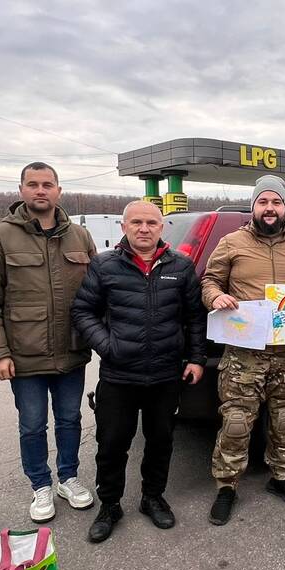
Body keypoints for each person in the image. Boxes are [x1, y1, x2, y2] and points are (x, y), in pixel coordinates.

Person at [201, 174, 285, 525]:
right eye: (263, 202)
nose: (270, 208)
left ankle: (281, 478)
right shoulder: (231, 242)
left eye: (276, 202)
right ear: (254, 207)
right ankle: (227, 487)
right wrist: (215, 296)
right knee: (235, 422)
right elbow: (209, 280)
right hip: (243, 353)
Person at [0, 162, 97, 522]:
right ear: (21, 189)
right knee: (32, 424)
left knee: (70, 419)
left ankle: (68, 478)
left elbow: (97, 292)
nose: (41, 190)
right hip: (24, 355)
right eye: (33, 184)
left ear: (58, 190)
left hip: (71, 350)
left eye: (47, 184)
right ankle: (40, 484)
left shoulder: (79, 236)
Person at [71, 201, 206, 543]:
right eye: (136, 222)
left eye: (151, 223)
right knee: (111, 444)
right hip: (119, 376)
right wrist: (108, 345)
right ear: (124, 227)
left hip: (165, 374)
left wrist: (195, 358)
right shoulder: (104, 265)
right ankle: (109, 505)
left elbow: (194, 317)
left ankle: (152, 498)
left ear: (161, 227)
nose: (144, 229)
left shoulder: (181, 266)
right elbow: (83, 311)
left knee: (160, 441)